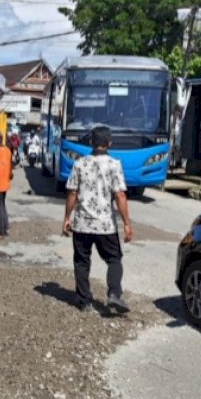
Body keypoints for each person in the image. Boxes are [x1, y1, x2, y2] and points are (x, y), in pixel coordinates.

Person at [62, 127, 133, 314]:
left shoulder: (79, 163)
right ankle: (114, 294)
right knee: (114, 259)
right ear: (109, 143)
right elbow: (119, 195)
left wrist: (66, 218)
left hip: (82, 224)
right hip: (105, 225)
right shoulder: (114, 164)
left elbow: (72, 193)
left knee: (81, 262)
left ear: (91, 143)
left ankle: (84, 302)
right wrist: (126, 223)